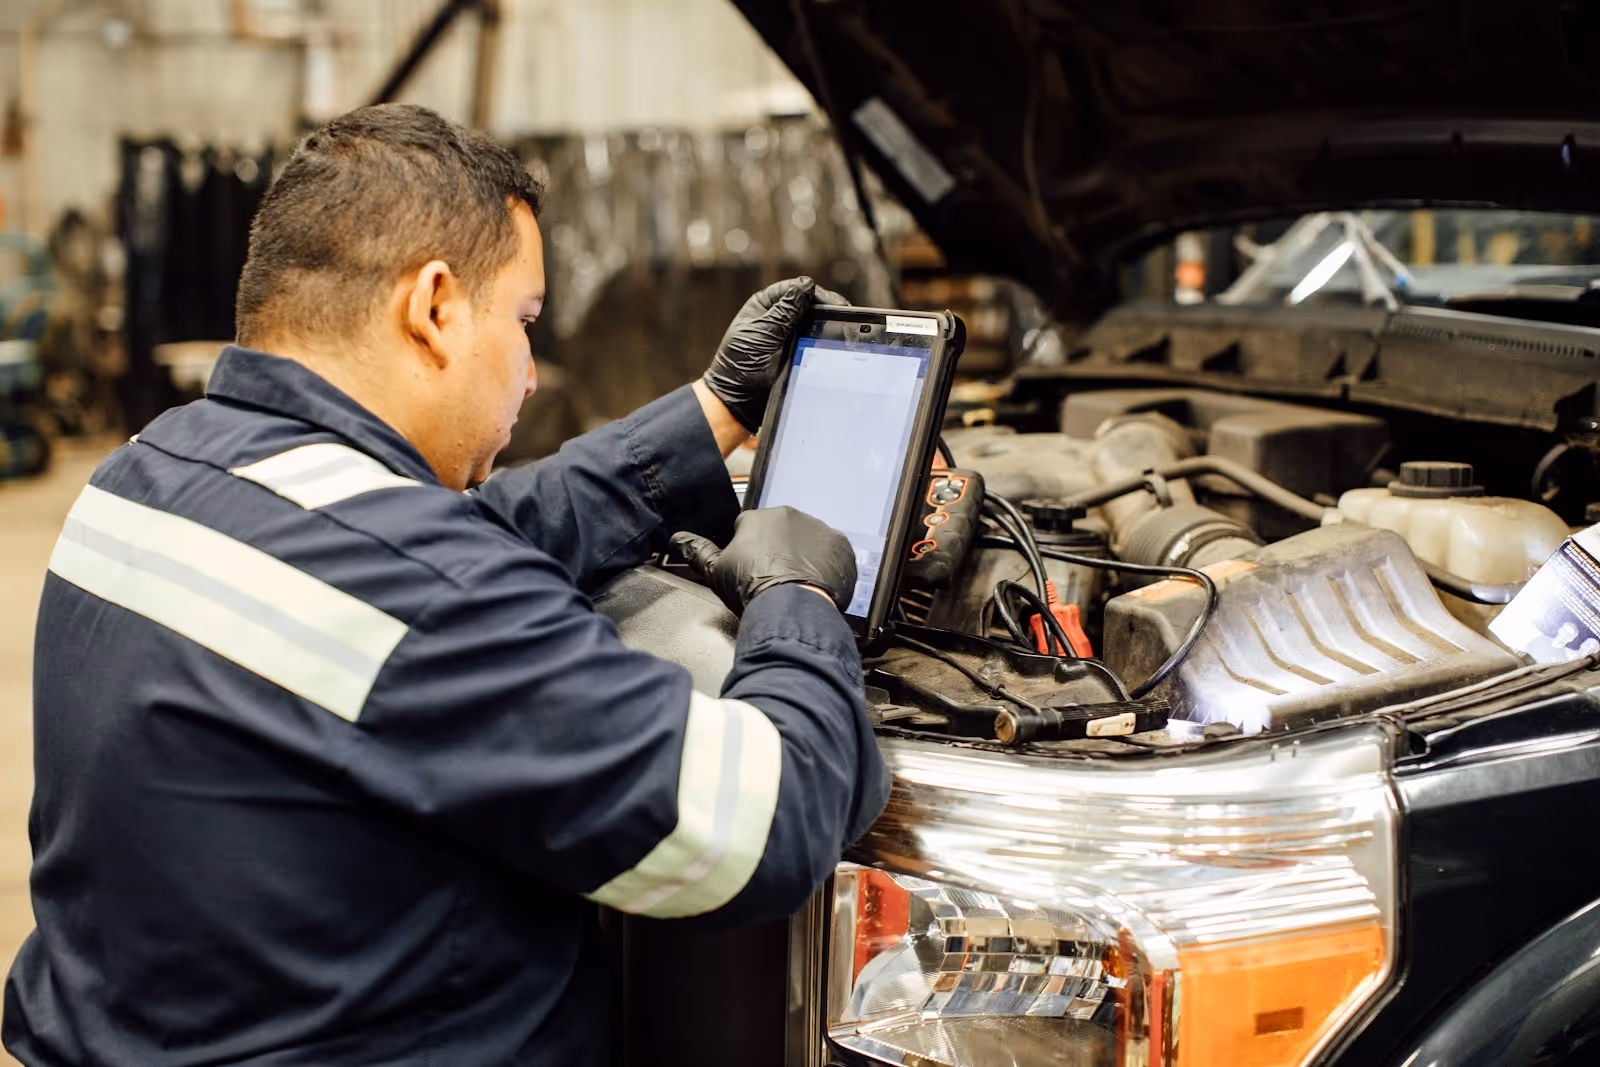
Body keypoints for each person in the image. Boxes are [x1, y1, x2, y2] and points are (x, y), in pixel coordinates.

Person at [3, 104, 889, 1065]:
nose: (534, 374)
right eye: (523, 321)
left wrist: (711, 416)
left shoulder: (149, 471)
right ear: (433, 307)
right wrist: (798, 600)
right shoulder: (415, 589)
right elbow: (764, 831)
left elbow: (449, 541)